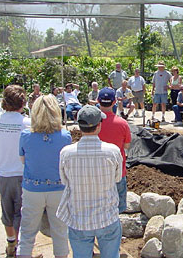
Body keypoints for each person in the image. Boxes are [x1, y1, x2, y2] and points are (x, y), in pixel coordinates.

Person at [56, 105, 123, 258]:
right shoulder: (112, 151)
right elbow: (117, 178)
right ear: (99, 125)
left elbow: (65, 181)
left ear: (79, 125)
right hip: (107, 218)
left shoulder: (66, 153)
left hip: (79, 219)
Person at [16, 95, 71, 258]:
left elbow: (23, 160)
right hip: (58, 189)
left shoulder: (25, 135)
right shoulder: (65, 136)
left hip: (32, 189)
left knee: (26, 233)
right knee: (60, 232)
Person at [0, 85, 31, 257]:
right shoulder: (26, 123)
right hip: (23, 173)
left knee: (7, 212)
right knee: (22, 213)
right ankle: (21, 248)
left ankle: (11, 244)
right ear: (22, 102)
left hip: (4, 173)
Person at [98, 87, 131, 214]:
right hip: (118, 172)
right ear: (114, 102)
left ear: (98, 101)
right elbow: (127, 146)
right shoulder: (122, 123)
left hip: (98, 172)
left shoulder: (93, 123)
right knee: (118, 210)